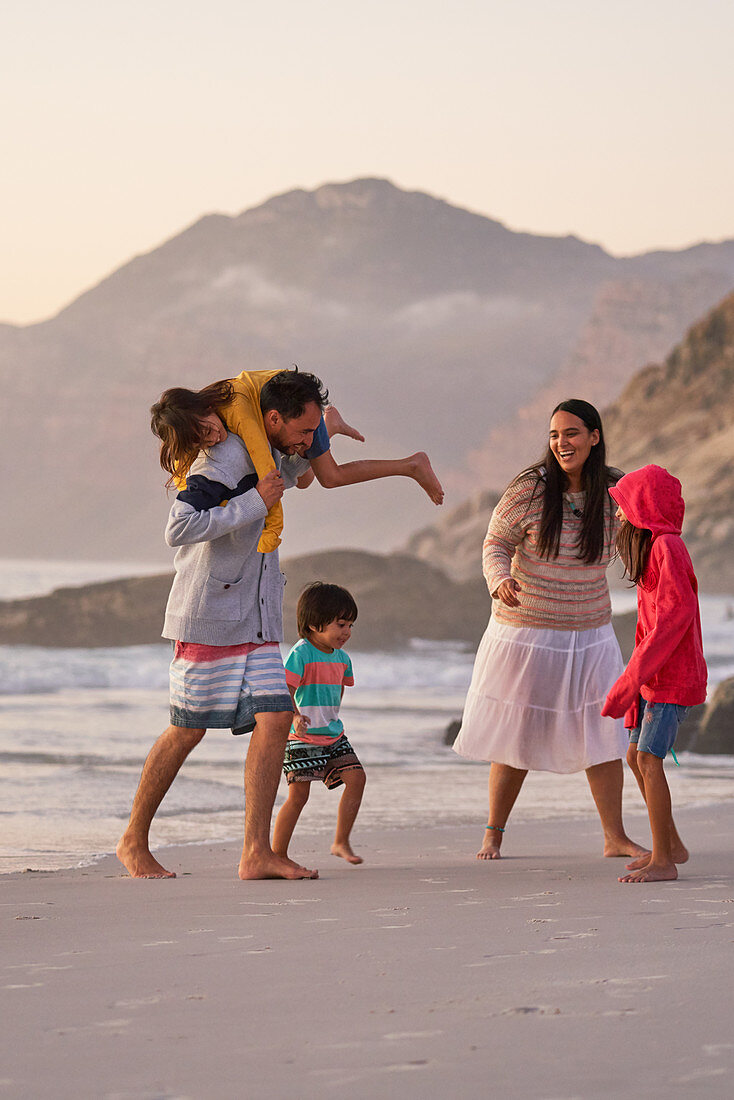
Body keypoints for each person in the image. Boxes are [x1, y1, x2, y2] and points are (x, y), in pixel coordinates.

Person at [117, 370, 334, 880]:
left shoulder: (262, 448)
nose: (305, 438)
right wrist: (254, 501)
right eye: (303, 429)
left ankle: (256, 852)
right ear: (273, 418)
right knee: (187, 729)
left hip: (257, 613)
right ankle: (132, 840)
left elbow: (294, 476)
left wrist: (323, 438)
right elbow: (179, 527)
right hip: (210, 614)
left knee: (277, 719)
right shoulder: (222, 461)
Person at [453, 399, 647, 862]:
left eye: (572, 433)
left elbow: (650, 531)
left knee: (604, 733)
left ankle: (614, 836)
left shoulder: (618, 488)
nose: (562, 443)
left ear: (595, 437)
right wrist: (499, 580)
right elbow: (495, 544)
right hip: (528, 630)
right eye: (555, 435)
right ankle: (494, 834)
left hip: (592, 630)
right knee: (516, 734)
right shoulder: (531, 487)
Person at [602, 465, 707, 883]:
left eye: (623, 508)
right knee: (634, 755)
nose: (617, 516)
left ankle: (664, 860)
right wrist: (635, 685)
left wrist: (630, 683)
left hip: (673, 676)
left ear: (644, 509)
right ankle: (672, 844)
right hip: (653, 675)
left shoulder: (667, 548)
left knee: (648, 758)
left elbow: (674, 619)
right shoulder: (652, 552)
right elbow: (647, 629)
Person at [272, 582, 366, 866]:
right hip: (302, 738)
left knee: (357, 779)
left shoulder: (343, 659)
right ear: (314, 624)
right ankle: (277, 854)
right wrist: (296, 716)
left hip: (332, 734)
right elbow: (286, 691)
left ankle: (340, 841)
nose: (346, 632)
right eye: (340, 624)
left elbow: (337, 693)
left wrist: (330, 720)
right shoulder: (301, 654)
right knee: (298, 796)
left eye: (350, 625)